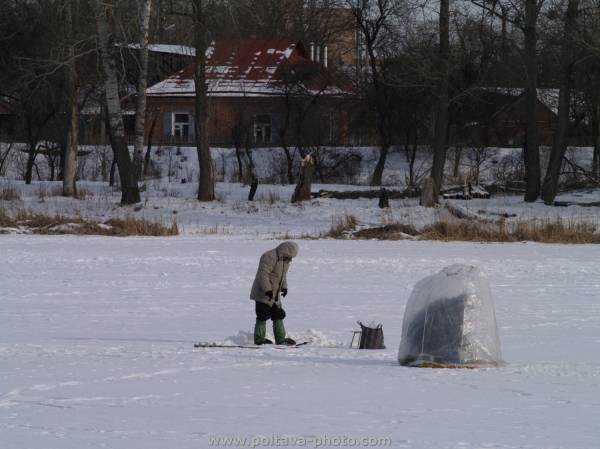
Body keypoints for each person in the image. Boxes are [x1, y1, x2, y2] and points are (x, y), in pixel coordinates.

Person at [250, 241, 299, 345]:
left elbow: (282, 276)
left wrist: (284, 287)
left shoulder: (285, 260)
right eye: (290, 256)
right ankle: (259, 339)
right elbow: (262, 275)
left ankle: (281, 339)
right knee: (262, 315)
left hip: (275, 293)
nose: (290, 259)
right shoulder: (269, 256)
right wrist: (267, 290)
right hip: (262, 292)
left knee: (278, 314)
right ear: (286, 251)